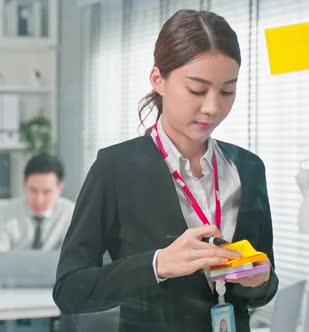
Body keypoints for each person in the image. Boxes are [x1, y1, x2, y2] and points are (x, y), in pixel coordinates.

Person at [53, 9, 278, 332]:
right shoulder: (116, 168)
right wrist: (158, 265)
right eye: (198, 90)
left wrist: (259, 280)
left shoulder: (248, 168)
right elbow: (70, 290)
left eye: (227, 91)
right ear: (158, 80)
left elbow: (261, 292)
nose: (213, 107)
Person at [0, 153, 75, 278]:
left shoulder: (70, 213)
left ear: (60, 188)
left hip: (54, 291)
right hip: (12, 291)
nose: (39, 200)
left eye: (47, 192)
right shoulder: (5, 213)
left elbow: (74, 263)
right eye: (33, 190)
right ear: (24, 184)